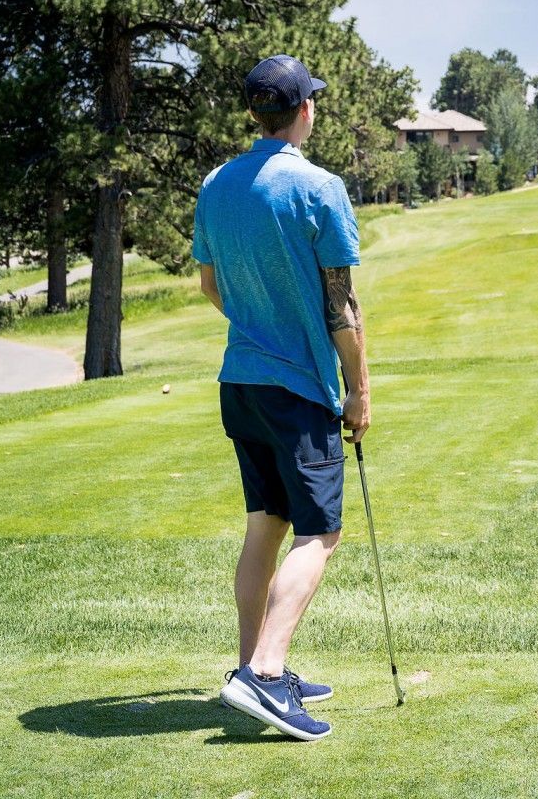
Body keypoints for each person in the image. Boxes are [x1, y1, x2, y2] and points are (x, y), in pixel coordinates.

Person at [191, 54, 371, 742]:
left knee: (265, 522)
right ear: (304, 111)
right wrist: (360, 391)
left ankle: (249, 669)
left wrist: (257, 323)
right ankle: (264, 675)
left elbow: (210, 285)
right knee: (320, 532)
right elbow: (341, 308)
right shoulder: (319, 187)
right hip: (298, 389)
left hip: (240, 379)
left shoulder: (216, 184)